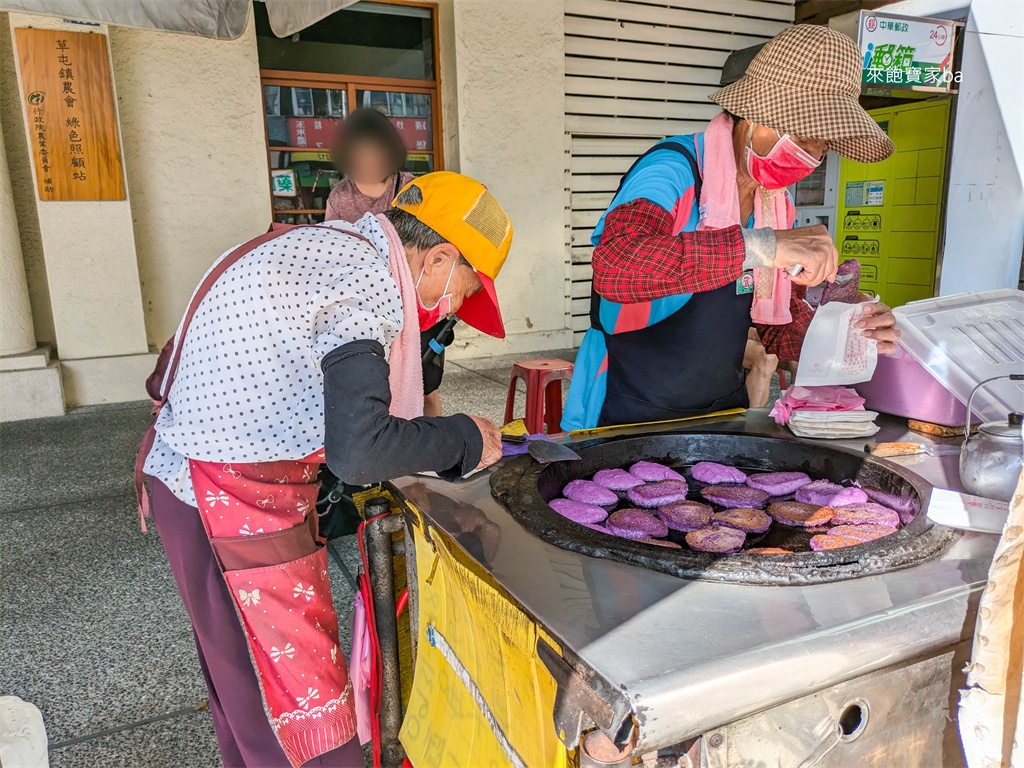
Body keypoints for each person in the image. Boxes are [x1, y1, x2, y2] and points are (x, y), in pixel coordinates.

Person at [140, 172, 512, 767]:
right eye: (466, 292)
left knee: (244, 690)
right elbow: (359, 449)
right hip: (223, 497)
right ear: (440, 258)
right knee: (294, 708)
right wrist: (466, 438)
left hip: (203, 477)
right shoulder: (365, 281)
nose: (457, 313)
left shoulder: (331, 247)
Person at [562, 25, 901, 430]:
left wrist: (851, 328)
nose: (811, 157)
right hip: (626, 407)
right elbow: (617, 267)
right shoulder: (671, 170)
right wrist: (762, 246)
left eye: (822, 146)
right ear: (756, 113)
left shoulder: (775, 206)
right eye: (806, 136)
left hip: (721, 411)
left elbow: (779, 335)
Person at [326, 108, 454, 416]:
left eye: (375, 155)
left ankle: (435, 452)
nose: (367, 164)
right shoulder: (341, 196)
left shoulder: (412, 190)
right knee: (378, 387)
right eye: (359, 157)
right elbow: (332, 250)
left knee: (426, 386)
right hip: (366, 307)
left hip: (414, 302)